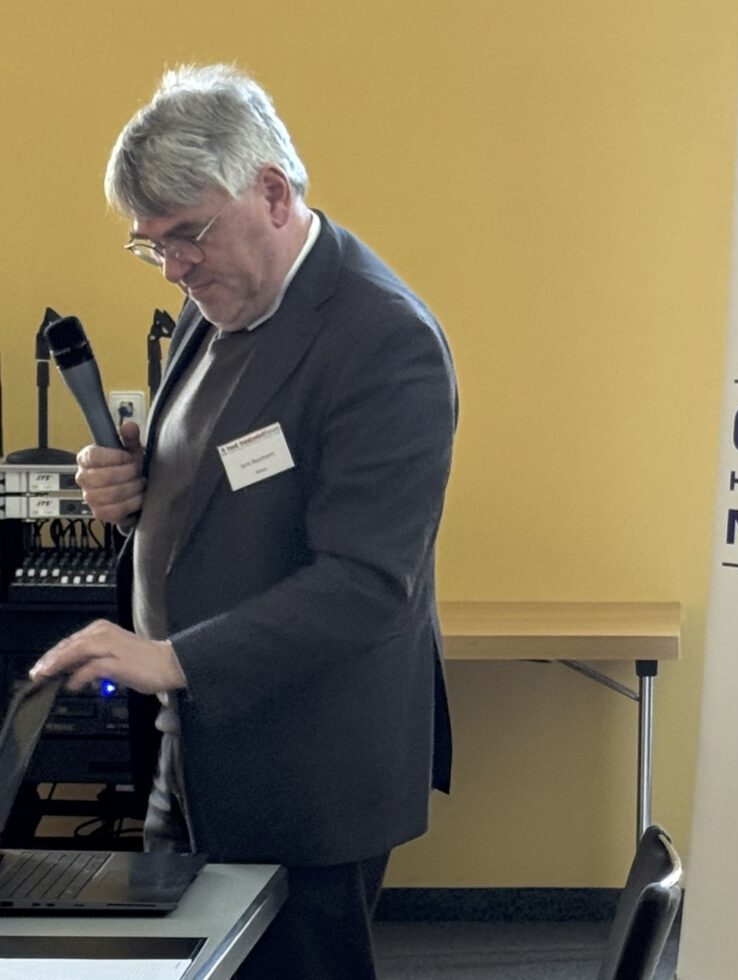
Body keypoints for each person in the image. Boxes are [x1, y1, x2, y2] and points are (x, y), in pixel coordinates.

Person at [31, 63, 457, 979]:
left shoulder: (384, 339)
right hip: (192, 744)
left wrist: (173, 659)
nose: (173, 268)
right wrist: (137, 491)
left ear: (272, 192)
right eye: (151, 246)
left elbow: (367, 585)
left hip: (306, 770)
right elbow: (223, 486)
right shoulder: (221, 297)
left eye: (188, 235)